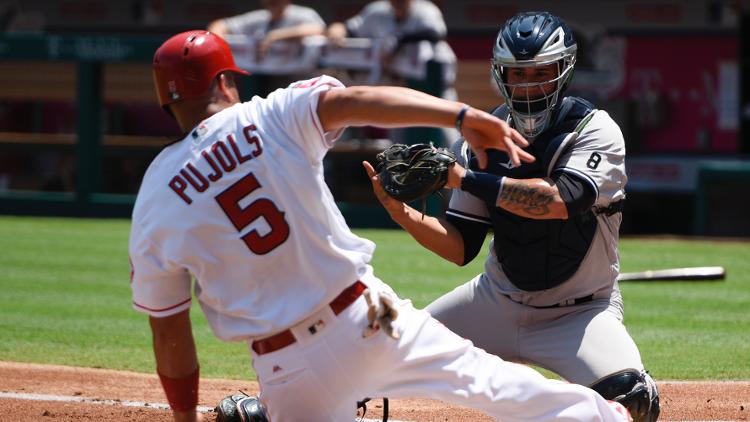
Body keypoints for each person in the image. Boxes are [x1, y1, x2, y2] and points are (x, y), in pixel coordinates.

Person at [129, 30, 633, 422]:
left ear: (167, 103)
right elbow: (359, 99)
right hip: (370, 318)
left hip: (284, 365)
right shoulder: (270, 115)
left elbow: (169, 329)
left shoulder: (154, 193)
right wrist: (461, 115)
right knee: (493, 385)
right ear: (225, 82)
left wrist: (181, 415)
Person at [364, 11, 660, 422]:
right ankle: (272, 411)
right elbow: (460, 247)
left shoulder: (594, 128)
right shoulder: (483, 135)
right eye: (516, 74)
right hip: (495, 299)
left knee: (632, 401)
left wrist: (465, 179)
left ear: (564, 69)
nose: (527, 85)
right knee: (379, 354)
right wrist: (402, 213)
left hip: (578, 312)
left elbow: (559, 201)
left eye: (540, 72)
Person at [326, 0, 459, 145]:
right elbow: (350, 28)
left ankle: (459, 164)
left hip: (434, 85)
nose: (399, 2)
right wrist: (338, 29)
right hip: (400, 85)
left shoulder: (426, 10)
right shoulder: (377, 11)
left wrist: (398, 43)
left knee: (447, 129)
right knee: (400, 136)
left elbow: (435, 33)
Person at [207, 0, 326, 94]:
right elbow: (218, 25)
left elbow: (319, 29)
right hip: (262, 79)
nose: (273, 1)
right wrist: (219, 45)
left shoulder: (302, 14)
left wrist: (276, 36)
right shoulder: (261, 17)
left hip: (299, 80)